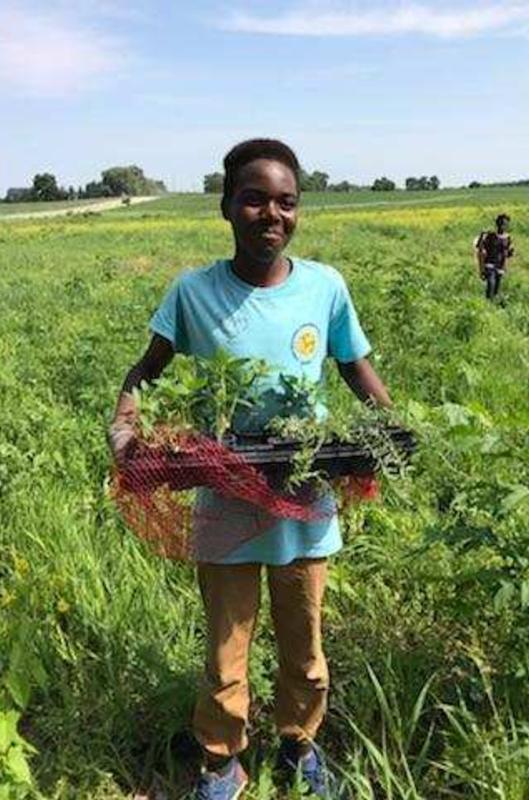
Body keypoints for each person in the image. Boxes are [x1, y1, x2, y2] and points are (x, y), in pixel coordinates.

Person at [109, 138, 392, 799]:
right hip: (226, 494)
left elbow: (354, 367)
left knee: (305, 641)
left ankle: (299, 743)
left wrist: (392, 425)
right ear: (227, 208)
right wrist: (125, 427)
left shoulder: (325, 287)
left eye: (287, 202)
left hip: (303, 496)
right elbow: (145, 372)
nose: (273, 213)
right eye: (255, 198)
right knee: (226, 646)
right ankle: (222, 758)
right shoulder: (193, 292)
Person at [475, 214, 514, 301]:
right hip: (489, 264)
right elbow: (480, 248)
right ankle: (488, 304)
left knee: (497, 288)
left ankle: (492, 305)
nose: (503, 226)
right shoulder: (491, 235)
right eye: (501, 224)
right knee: (491, 284)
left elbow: (508, 253)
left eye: (505, 224)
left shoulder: (508, 238)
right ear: (497, 224)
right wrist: (481, 268)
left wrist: (509, 255)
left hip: (500, 266)